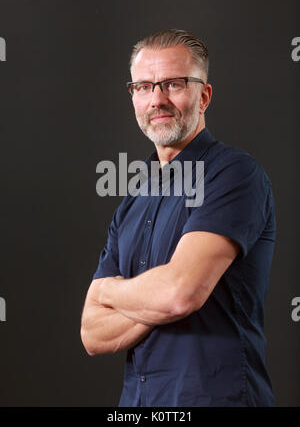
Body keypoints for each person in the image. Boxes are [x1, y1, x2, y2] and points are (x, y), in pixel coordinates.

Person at [80, 29, 276, 407]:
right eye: (144, 86)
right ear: (133, 96)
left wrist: (107, 292)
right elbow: (92, 332)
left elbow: (179, 294)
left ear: (204, 95)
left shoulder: (234, 174)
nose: (158, 99)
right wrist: (159, 295)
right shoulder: (134, 197)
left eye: (173, 84)